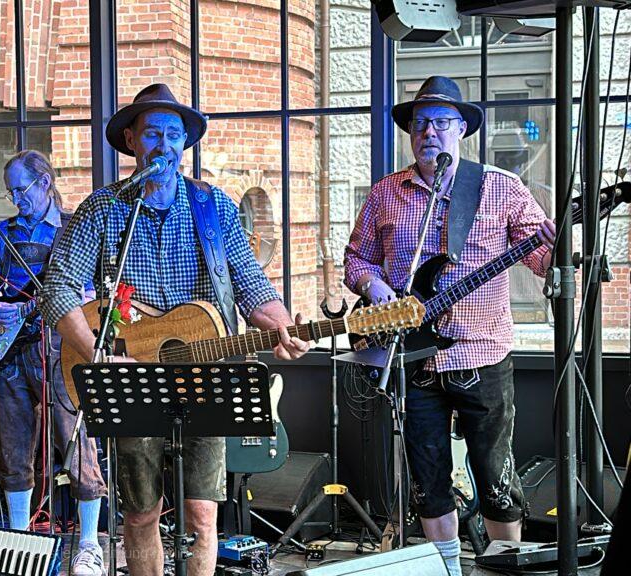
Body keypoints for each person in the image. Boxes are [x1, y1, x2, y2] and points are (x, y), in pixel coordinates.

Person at [40, 83, 310, 576]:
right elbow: (57, 290)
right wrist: (97, 356)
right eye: (151, 134)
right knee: (140, 514)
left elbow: (252, 286)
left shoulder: (216, 208)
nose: (163, 144)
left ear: (184, 143)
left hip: (203, 375)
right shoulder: (103, 210)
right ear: (130, 140)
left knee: (204, 514)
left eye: (173, 134)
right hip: (128, 376)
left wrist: (284, 325)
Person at [343, 76, 556, 576]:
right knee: (428, 477)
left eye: (441, 121)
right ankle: (445, 570)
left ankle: (508, 568)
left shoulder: (500, 187)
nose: (429, 132)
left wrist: (554, 240)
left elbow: (544, 262)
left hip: (481, 352)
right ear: (409, 133)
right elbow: (357, 261)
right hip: (409, 357)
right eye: (420, 123)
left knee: (495, 475)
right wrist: (379, 292)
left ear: (461, 129)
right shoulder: (385, 192)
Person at [0, 150, 107, 576]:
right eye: (9, 191)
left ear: (45, 183)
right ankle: (18, 543)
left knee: (78, 443)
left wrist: (81, 303)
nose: (14, 199)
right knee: (13, 448)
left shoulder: (73, 231)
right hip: (13, 355)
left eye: (21, 189)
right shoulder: (4, 232)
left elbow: (93, 291)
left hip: (63, 353)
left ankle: (88, 544)